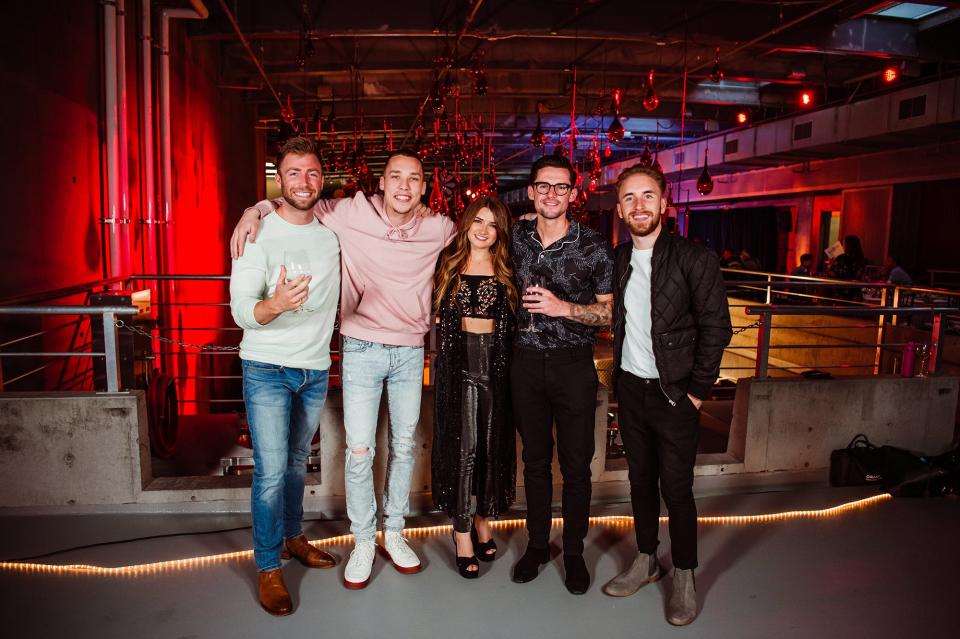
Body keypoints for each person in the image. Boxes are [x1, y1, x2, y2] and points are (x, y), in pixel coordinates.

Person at [230, 148, 456, 589]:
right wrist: (252, 210)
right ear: (381, 183)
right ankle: (362, 539)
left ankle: (393, 532)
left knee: (405, 446)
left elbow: (481, 239)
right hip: (358, 348)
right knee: (358, 450)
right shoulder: (351, 212)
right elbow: (294, 202)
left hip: (409, 351)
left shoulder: (439, 227)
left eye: (414, 179)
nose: (404, 186)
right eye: (396, 177)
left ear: (425, 187)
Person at [605, 165, 732, 626]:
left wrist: (696, 394)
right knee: (639, 481)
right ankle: (645, 560)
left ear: (664, 203)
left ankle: (684, 574)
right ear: (619, 209)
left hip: (676, 395)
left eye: (647, 196)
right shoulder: (619, 259)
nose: (639, 205)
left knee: (675, 488)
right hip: (632, 391)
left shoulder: (694, 259)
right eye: (630, 198)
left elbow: (718, 329)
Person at [229, 137, 340, 616]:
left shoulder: (332, 232)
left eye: (312, 173)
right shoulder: (257, 235)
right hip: (267, 369)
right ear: (280, 178)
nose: (304, 182)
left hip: (315, 370)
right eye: (294, 173)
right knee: (271, 472)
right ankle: (269, 565)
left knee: (298, 463)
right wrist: (275, 304)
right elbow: (240, 311)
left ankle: (294, 537)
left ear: (322, 179)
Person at [509, 155, 614, 595]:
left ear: (573, 193)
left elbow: (608, 312)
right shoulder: (515, 237)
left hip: (574, 364)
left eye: (561, 187)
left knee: (575, 467)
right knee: (533, 462)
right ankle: (537, 545)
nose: (552, 194)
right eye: (543, 186)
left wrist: (563, 308)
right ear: (531, 192)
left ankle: (572, 551)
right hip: (525, 363)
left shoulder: (594, 245)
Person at [432, 196, 518, 578]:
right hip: (459, 366)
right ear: (466, 224)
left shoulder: (509, 268)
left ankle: (485, 519)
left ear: (500, 231)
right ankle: (463, 531)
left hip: (498, 368)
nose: (483, 230)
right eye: (477, 221)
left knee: (491, 447)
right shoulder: (448, 263)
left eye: (492, 224)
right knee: (465, 450)